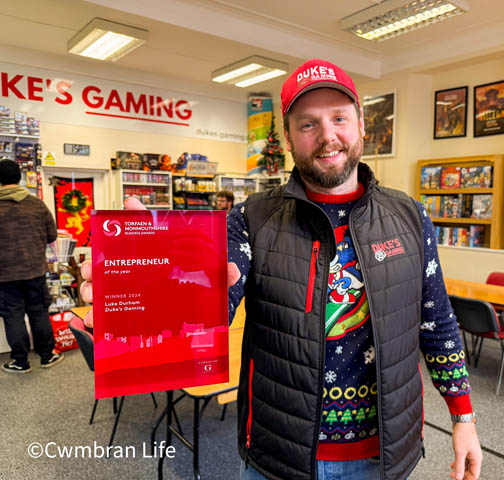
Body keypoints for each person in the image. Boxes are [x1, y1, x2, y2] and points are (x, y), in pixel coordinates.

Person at [81, 59, 482, 480]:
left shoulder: (409, 217)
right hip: (277, 459)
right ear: (289, 138)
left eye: (339, 118)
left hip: (382, 458)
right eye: (308, 124)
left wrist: (464, 418)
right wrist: (151, 288)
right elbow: (214, 297)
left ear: (362, 125)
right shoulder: (251, 219)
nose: (328, 136)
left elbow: (438, 325)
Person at [0, 159, 64, 373]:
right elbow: (52, 235)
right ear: (19, 177)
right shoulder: (37, 204)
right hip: (35, 270)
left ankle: (20, 360)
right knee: (39, 313)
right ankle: (47, 356)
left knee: (13, 316)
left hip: (5, 275)